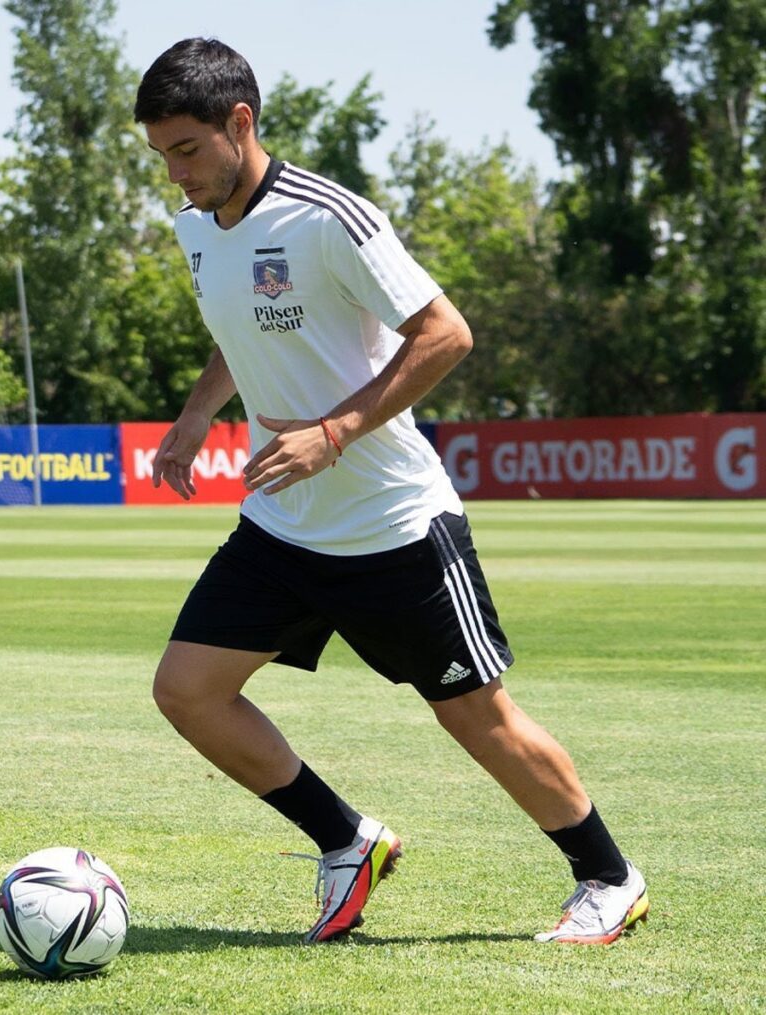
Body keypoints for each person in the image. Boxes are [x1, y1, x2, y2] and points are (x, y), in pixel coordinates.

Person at [133, 37, 648, 945]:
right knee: (187, 690)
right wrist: (195, 413)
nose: (175, 175)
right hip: (283, 524)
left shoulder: (332, 216)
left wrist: (332, 433)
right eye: (161, 155)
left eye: (186, 150)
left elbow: (446, 333)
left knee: (478, 720)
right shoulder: (194, 228)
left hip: (393, 524)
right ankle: (347, 840)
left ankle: (609, 874)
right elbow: (239, 332)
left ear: (240, 123)